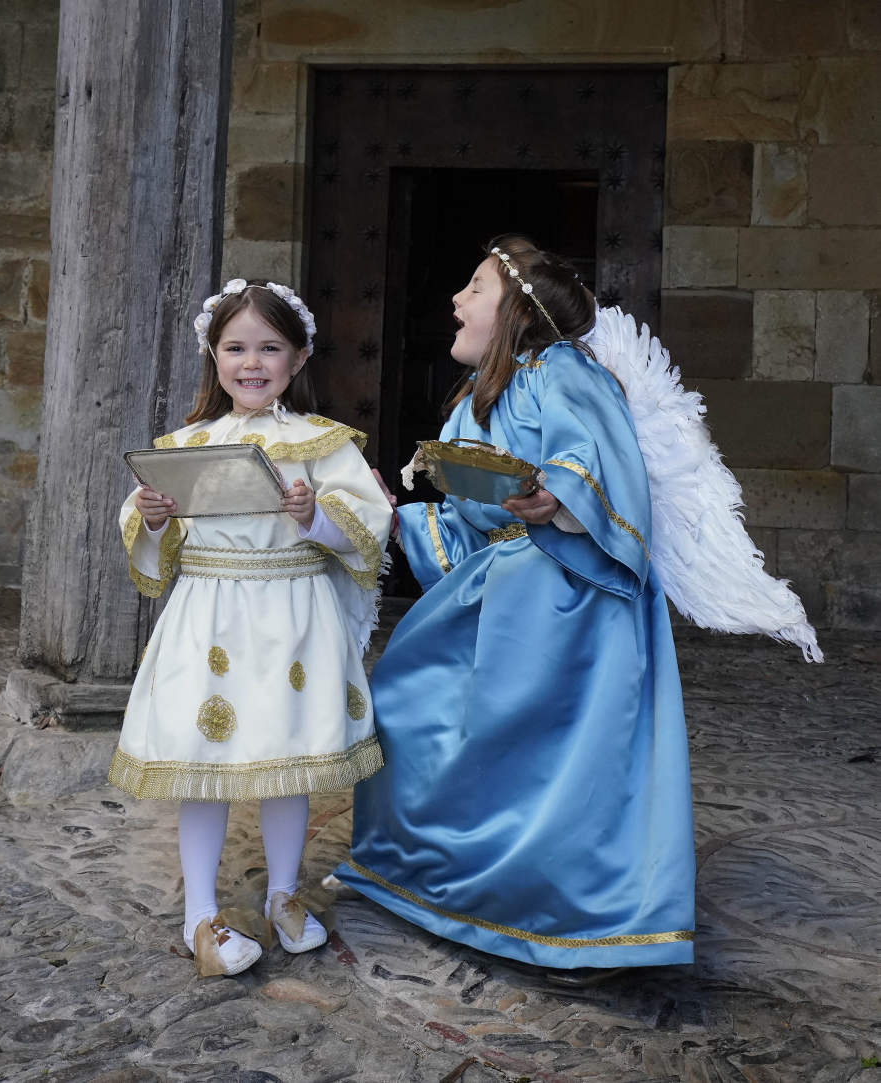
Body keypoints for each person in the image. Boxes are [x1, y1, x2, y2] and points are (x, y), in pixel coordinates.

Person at [334, 234, 820, 971]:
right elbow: (470, 527)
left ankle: (564, 912)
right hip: (495, 593)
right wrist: (391, 512)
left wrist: (555, 490)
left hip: (570, 607)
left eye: (474, 288)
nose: (456, 301)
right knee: (404, 705)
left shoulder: (561, 370)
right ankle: (446, 884)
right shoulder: (475, 401)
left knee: (556, 769)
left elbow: (596, 455)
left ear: (519, 311)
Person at [109, 278, 392, 977]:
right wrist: (153, 516)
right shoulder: (187, 443)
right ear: (215, 356)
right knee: (204, 771)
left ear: (297, 359)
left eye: (269, 347)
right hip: (208, 615)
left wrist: (313, 517)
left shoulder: (320, 443)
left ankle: (283, 894)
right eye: (236, 347)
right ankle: (199, 912)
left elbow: (368, 526)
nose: (252, 362)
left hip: (291, 616)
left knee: (284, 757)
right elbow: (149, 538)